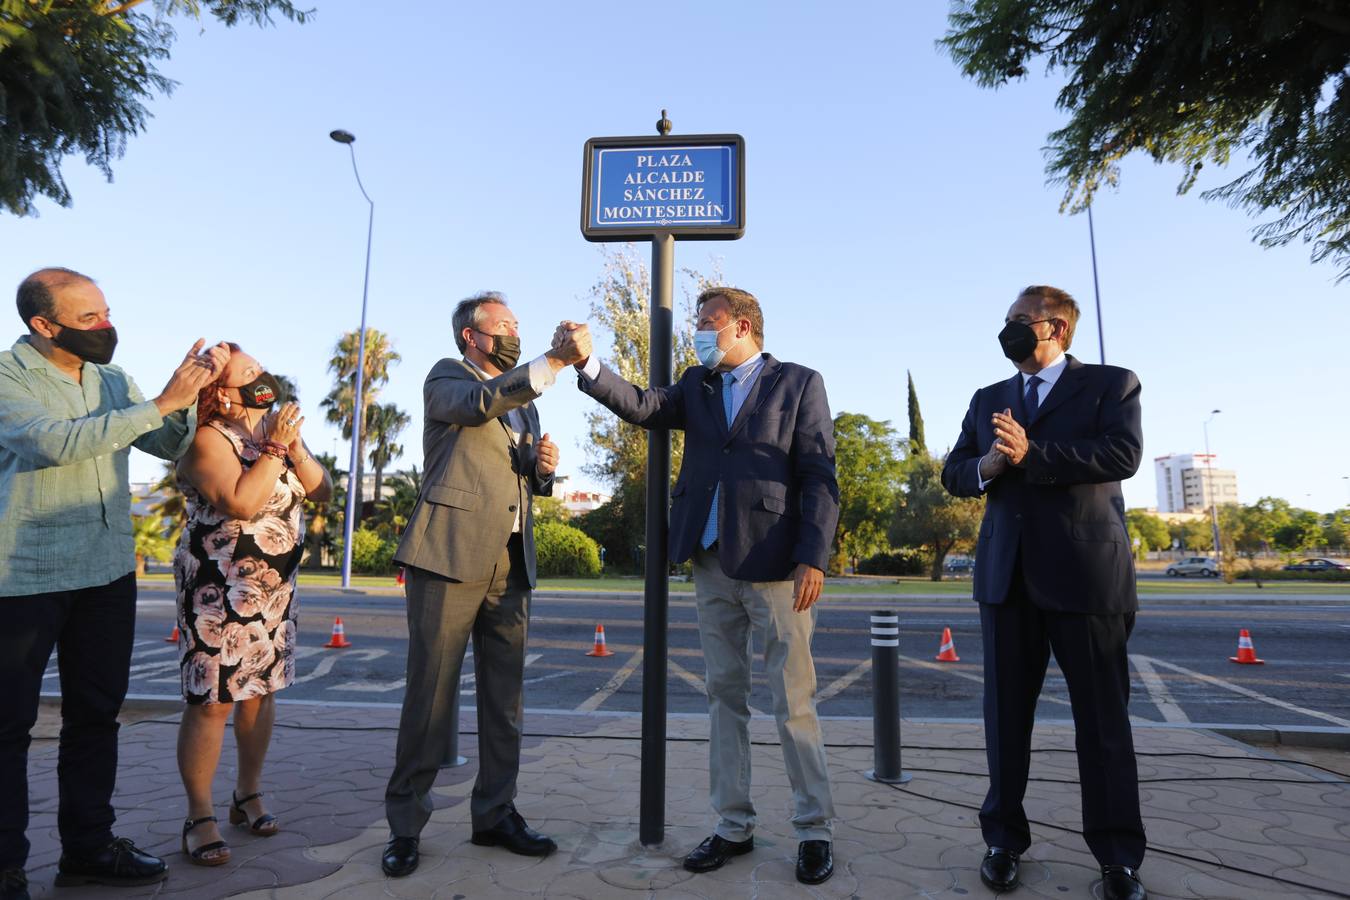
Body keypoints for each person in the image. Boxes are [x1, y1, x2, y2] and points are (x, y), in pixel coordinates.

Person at [562, 286, 840, 885]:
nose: (698, 333)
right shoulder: (697, 384)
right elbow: (642, 405)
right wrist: (588, 364)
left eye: (707, 323)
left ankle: (814, 829)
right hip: (709, 564)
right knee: (724, 699)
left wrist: (813, 555)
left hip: (777, 566)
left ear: (741, 326)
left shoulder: (798, 383)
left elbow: (819, 472)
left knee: (793, 703)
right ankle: (732, 825)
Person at [0, 268, 229, 900]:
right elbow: (49, 444)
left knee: (96, 716)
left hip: (105, 570)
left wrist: (191, 401)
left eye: (106, 313)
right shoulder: (8, 377)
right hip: (23, 576)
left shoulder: (111, 380)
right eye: (89, 319)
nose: (106, 327)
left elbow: (163, 442)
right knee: (8, 726)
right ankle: (5, 865)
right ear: (44, 325)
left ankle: (88, 848)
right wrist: (158, 403)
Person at [941, 285, 1148, 900]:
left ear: (1054, 327)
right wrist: (988, 467)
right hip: (1006, 581)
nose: (1005, 331)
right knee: (1005, 720)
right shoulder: (988, 399)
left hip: (1087, 580)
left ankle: (1118, 858)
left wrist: (1034, 454)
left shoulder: (1112, 385)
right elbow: (956, 471)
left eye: (1016, 322)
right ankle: (1003, 841)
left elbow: (1122, 454)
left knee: (1103, 725)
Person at [381, 292, 590, 878]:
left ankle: (495, 814)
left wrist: (541, 470)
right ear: (472, 336)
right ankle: (404, 827)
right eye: (505, 325)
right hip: (448, 554)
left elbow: (516, 476)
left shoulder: (527, 401)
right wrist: (550, 361)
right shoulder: (448, 377)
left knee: (506, 703)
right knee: (431, 698)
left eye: (518, 325)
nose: (514, 331)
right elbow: (477, 407)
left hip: (510, 562)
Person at [171, 344, 331, 866]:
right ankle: (200, 815)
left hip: (274, 591)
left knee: (259, 693)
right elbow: (240, 502)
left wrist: (291, 447)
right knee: (212, 700)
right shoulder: (206, 440)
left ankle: (247, 792)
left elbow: (322, 490)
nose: (264, 378)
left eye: (262, 369)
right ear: (221, 392)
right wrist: (276, 452)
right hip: (218, 590)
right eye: (250, 374)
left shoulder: (275, 436)